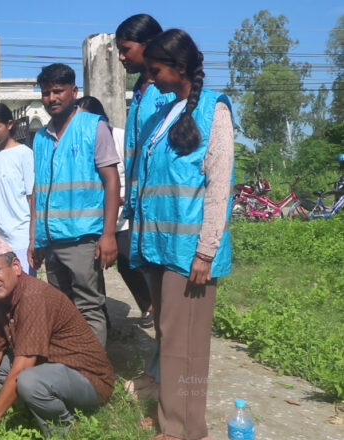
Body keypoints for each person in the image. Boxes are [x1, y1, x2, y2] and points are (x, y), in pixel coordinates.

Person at [131, 29, 234, 440]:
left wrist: (205, 252)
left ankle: (184, 430)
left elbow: (219, 186)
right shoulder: (166, 113)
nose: (150, 78)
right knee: (171, 338)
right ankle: (173, 418)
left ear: (181, 67)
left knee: (188, 346)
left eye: (156, 70)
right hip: (159, 247)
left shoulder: (214, 110)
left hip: (190, 251)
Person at [0, 231, 114, 438]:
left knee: (28, 381)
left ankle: (64, 429)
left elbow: (23, 367)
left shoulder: (33, 296)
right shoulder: (0, 301)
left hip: (88, 379)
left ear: (16, 266)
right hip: (51, 368)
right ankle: (36, 406)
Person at [29, 63, 120, 347]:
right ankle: (69, 364)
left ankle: (93, 375)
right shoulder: (41, 138)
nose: (52, 98)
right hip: (51, 239)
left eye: (58, 91)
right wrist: (35, 238)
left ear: (74, 91)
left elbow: (112, 181)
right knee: (62, 307)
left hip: (83, 237)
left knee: (89, 307)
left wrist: (108, 234)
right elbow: (38, 191)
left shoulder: (94, 127)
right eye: (46, 93)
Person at [115, 12, 174, 403]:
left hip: (162, 213)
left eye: (125, 50)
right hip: (141, 209)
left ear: (148, 46)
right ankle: (158, 374)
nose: (121, 57)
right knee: (159, 300)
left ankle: (165, 380)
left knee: (169, 306)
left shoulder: (165, 92)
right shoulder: (141, 90)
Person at [76, 96, 153, 327]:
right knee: (92, 267)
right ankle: (100, 318)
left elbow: (136, 174)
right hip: (94, 217)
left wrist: (122, 199)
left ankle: (151, 304)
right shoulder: (83, 141)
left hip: (123, 215)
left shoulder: (121, 137)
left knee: (129, 260)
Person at [0, 103, 36, 276]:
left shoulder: (24, 154)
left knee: (25, 290)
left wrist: (33, 239)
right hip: (0, 240)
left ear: (10, 124)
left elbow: (32, 198)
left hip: (21, 237)